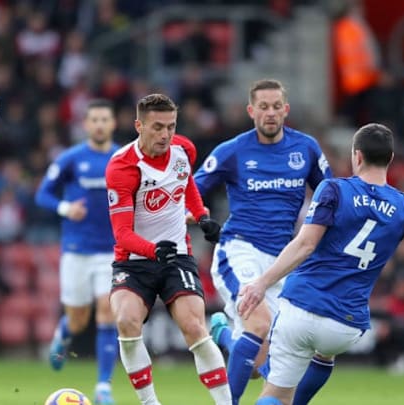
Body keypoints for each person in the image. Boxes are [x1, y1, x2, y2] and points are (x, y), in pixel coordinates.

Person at [237, 123, 404, 405]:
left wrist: (261, 283)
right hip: (345, 326)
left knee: (274, 393)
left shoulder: (333, 189)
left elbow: (305, 244)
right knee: (323, 353)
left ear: (357, 156)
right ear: (390, 159)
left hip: (302, 307)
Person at [193, 79, 332, 404]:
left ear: (285, 110)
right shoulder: (233, 150)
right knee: (258, 324)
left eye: (275, 107)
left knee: (259, 363)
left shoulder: (306, 149)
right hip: (239, 251)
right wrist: (200, 217)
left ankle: (224, 336)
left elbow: (331, 195)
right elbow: (192, 190)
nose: (270, 113)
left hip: (282, 262)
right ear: (251, 111)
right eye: (263, 107)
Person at [105, 93, 230, 405]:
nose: (165, 135)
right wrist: (151, 250)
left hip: (177, 257)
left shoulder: (183, 151)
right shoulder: (122, 167)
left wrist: (202, 217)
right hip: (134, 261)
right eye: (157, 127)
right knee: (126, 321)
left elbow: (187, 185)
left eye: (171, 127)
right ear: (139, 125)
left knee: (194, 325)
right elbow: (121, 234)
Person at [35, 99, 120, 405]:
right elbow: (42, 194)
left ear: (113, 124)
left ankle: (103, 387)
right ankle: (64, 332)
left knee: (108, 312)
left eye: (104, 119)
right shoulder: (71, 158)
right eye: (94, 119)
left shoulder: (122, 158)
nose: (99, 124)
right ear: (86, 125)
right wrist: (65, 207)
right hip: (76, 249)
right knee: (79, 318)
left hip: (111, 250)